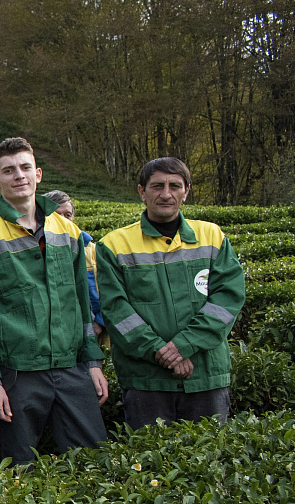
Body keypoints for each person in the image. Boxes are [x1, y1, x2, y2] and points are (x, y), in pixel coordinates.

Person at [0, 137, 108, 464]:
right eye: (9, 170)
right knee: (18, 469)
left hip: (72, 368)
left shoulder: (68, 232)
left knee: (95, 465)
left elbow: (81, 305)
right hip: (17, 374)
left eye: (25, 167)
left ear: (38, 174)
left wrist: (93, 362)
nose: (19, 175)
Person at [96, 157, 245, 429]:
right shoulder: (114, 245)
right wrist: (160, 352)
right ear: (142, 191)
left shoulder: (213, 236)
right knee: (150, 465)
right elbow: (116, 311)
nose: (166, 194)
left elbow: (227, 300)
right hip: (146, 381)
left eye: (175, 186)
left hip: (205, 375)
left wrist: (183, 346)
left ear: (186, 191)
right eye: (157, 186)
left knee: (209, 462)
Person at [48, 190, 104, 338]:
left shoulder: (93, 250)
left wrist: (99, 322)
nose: (63, 220)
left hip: (93, 333)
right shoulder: (34, 253)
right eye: (55, 215)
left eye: (67, 215)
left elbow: (111, 290)